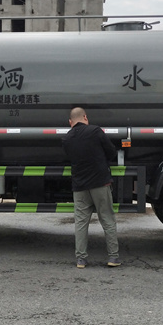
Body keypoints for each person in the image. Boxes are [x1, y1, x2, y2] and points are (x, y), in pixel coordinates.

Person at [62, 107, 120, 268]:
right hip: (100, 183)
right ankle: (113, 257)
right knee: (107, 219)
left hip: (80, 186)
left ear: (70, 122)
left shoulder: (67, 139)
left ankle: (81, 259)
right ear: (85, 117)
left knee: (81, 222)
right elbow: (111, 152)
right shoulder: (95, 131)